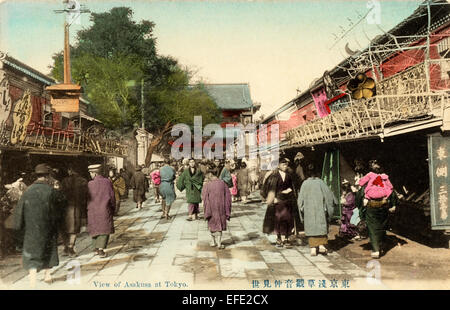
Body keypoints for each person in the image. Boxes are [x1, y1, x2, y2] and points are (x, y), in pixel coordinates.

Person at [13, 164, 66, 286]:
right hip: (48, 227)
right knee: (49, 251)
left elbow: (19, 210)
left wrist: (19, 226)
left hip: (31, 228)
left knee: (32, 252)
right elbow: (60, 207)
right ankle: (47, 276)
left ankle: (32, 280)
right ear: (47, 176)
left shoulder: (28, 191)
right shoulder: (51, 191)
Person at [357, 160, 397, 259]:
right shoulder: (385, 177)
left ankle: (376, 250)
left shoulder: (369, 175)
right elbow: (391, 190)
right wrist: (393, 204)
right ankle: (381, 245)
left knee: (373, 227)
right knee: (382, 225)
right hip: (384, 204)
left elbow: (360, 184)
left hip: (372, 205)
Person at [297, 164, 337, 256]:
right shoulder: (321, 183)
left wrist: (302, 209)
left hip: (309, 210)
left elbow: (300, 201)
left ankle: (313, 248)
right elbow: (330, 196)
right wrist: (330, 207)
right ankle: (322, 245)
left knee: (311, 227)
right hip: (320, 210)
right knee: (321, 226)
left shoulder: (305, 184)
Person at [262, 158, 297, 248]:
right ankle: (279, 238)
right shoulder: (273, 176)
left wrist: (290, 191)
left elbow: (292, 186)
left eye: (286, 165)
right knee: (278, 219)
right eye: (283, 164)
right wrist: (271, 198)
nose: (285, 166)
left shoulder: (289, 176)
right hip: (277, 201)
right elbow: (267, 188)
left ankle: (285, 237)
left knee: (287, 219)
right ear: (278, 165)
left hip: (287, 201)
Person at [86, 164, 115, 258]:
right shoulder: (107, 182)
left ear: (94, 173)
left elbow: (86, 197)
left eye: (90, 173)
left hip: (92, 210)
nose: (90, 175)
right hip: (104, 209)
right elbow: (112, 196)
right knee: (104, 229)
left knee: (95, 228)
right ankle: (101, 249)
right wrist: (113, 207)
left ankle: (95, 248)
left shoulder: (90, 184)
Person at [202, 165, 232, 249]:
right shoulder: (223, 183)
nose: (207, 176)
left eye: (208, 174)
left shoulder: (207, 185)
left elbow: (204, 197)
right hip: (221, 207)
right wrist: (227, 208)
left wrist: (206, 208)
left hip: (211, 207)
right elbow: (228, 197)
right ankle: (219, 243)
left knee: (211, 223)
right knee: (220, 224)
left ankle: (213, 241)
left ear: (211, 174)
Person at [60, 167, 88, 257]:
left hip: (65, 208)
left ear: (70, 171)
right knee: (74, 229)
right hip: (76, 208)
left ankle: (65, 248)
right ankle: (71, 248)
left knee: (65, 228)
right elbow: (86, 197)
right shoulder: (83, 181)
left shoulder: (64, 181)